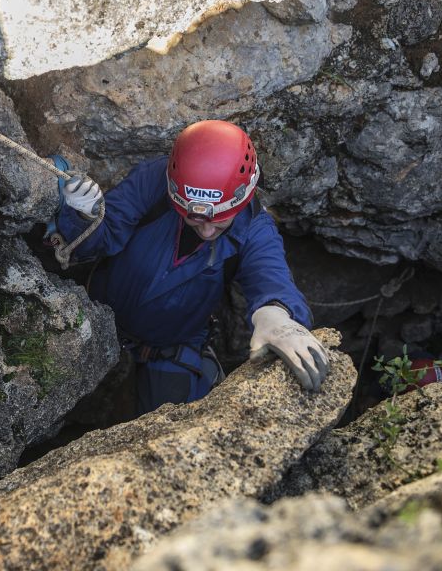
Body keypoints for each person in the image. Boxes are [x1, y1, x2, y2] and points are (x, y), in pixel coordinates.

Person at [55, 120, 329, 415]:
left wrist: (275, 312)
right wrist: (82, 217)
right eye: (195, 218)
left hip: (171, 348)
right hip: (97, 319)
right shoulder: (153, 182)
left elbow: (270, 276)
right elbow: (98, 240)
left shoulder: (254, 229)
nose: (208, 231)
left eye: (219, 220)